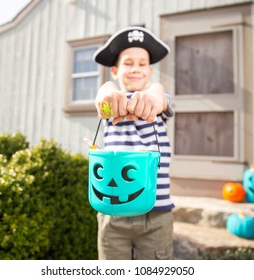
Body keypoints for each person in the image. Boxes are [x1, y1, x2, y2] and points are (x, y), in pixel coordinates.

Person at [92, 26, 175, 260]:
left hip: (156, 215)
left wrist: (154, 97)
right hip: (113, 212)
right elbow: (105, 92)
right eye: (128, 63)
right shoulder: (111, 103)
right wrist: (106, 92)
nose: (135, 69)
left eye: (142, 64)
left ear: (149, 71)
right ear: (116, 71)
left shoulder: (157, 99)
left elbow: (160, 96)